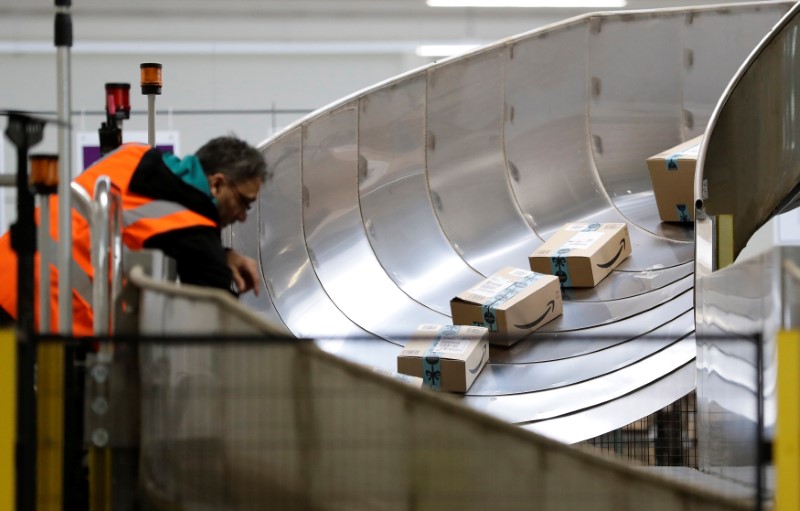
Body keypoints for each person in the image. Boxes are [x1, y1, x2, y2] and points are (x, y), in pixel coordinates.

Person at [0, 136, 266, 335]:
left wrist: (224, 254)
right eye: (245, 202)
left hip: (8, 265)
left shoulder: (134, 154)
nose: (243, 215)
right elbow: (221, 320)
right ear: (217, 184)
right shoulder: (193, 229)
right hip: (44, 307)